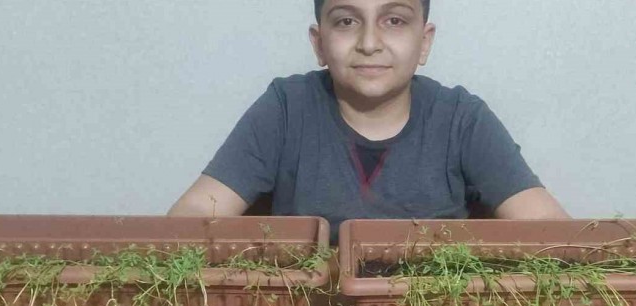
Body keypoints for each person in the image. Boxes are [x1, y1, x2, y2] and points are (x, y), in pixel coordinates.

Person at [169, 0, 569, 242]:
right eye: (346, 21)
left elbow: (549, 226)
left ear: (424, 41)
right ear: (319, 43)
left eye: (394, 20)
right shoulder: (286, 108)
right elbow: (195, 212)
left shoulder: (462, 119)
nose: (370, 43)